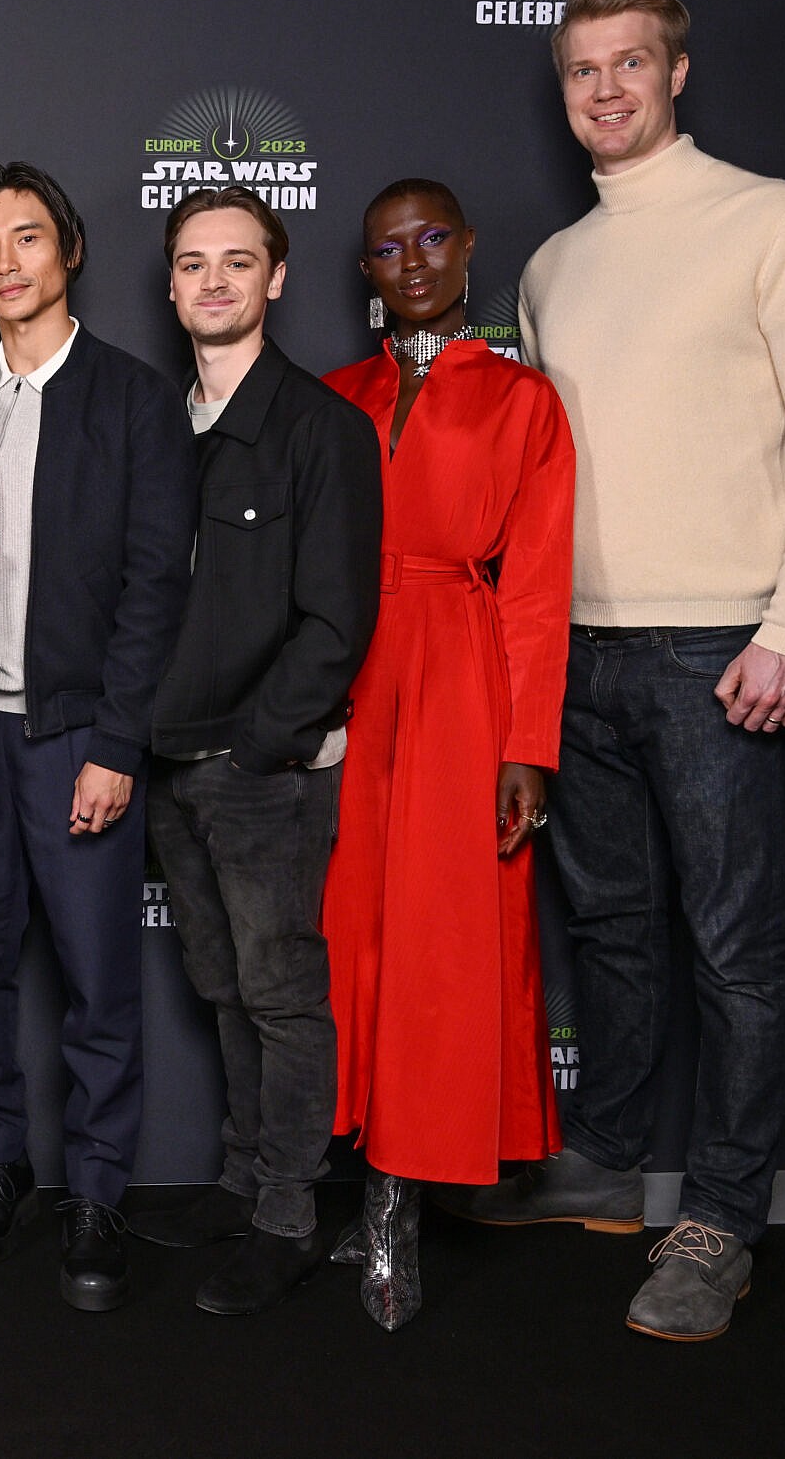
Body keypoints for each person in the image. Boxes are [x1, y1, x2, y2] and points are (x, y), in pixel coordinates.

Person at [452, 0, 785, 1344]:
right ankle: (612, 1160)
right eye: (583, 70)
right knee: (614, 932)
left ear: (679, 72)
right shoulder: (555, 265)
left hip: (716, 647)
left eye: (634, 63)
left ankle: (723, 1218)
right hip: (574, 655)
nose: (608, 89)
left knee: (733, 946)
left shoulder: (771, 220)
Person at [0, 161, 195, 1311]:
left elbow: (154, 589)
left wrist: (116, 743)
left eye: (25, 239)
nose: (5, 265)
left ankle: (95, 1191)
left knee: (96, 978)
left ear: (70, 249)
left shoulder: (135, 397)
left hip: (73, 731)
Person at [317, 179, 575, 1330]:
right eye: (386, 247)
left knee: (442, 938)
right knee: (345, 928)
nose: (410, 259)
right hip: (346, 675)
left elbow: (537, 584)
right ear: (364, 269)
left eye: (430, 239)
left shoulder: (522, 398)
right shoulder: (335, 393)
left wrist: (526, 745)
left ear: (467, 251)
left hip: (462, 669)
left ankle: (397, 1203)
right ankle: (340, 1173)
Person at [126, 185, 382, 1317]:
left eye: (238, 261)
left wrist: (264, 745)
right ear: (170, 284)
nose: (214, 281)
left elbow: (336, 618)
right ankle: (240, 1180)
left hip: (259, 769)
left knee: (280, 990)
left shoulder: (319, 425)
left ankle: (288, 1212)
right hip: (168, 758)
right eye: (193, 263)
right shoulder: (155, 424)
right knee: (220, 982)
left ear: (276, 278)